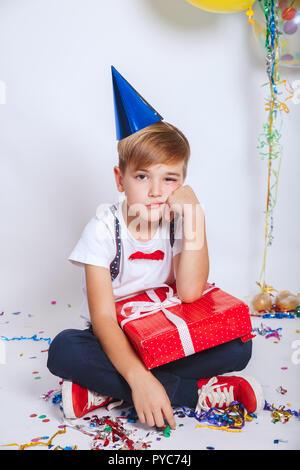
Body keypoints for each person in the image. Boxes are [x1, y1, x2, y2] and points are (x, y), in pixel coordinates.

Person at [47, 68, 264, 430]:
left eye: (169, 179)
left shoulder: (182, 217)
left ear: (182, 183)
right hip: (119, 336)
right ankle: (191, 393)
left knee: (240, 346)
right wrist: (140, 377)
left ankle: (103, 392)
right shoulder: (103, 229)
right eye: (142, 176)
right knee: (65, 347)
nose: (155, 191)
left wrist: (193, 215)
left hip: (167, 334)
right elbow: (103, 319)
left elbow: (191, 291)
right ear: (120, 179)